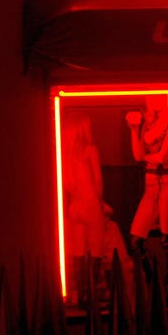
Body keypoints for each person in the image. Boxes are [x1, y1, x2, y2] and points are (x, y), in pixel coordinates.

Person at [125, 94, 168, 306]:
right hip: (151, 184)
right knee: (136, 239)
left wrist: (147, 154)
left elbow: (160, 156)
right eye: (153, 96)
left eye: (162, 95)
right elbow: (137, 155)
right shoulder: (150, 123)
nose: (157, 99)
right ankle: (154, 285)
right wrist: (134, 130)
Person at [61, 111, 107, 307]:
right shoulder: (90, 150)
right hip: (90, 202)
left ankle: (80, 294)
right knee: (96, 250)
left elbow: (66, 184)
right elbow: (97, 180)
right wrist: (102, 202)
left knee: (79, 251)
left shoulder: (64, 154)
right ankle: (91, 293)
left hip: (75, 204)